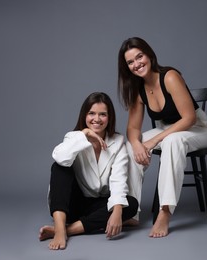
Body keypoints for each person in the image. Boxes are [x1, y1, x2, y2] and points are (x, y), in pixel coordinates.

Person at [117, 37, 207, 238]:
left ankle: (165, 211)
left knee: (171, 140)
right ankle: (131, 210)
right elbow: (133, 128)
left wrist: (153, 141)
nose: (137, 64)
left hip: (198, 129)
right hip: (170, 131)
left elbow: (189, 118)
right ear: (127, 67)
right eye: (130, 62)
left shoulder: (169, 76)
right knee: (130, 147)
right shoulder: (138, 89)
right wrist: (137, 144)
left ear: (149, 55)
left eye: (139, 57)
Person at [39, 92, 138, 250]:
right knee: (59, 167)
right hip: (71, 205)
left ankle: (67, 230)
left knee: (130, 204)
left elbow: (119, 179)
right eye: (91, 113)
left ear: (109, 117)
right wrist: (84, 134)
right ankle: (59, 228)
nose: (97, 119)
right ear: (84, 115)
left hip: (97, 204)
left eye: (102, 114)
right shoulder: (74, 137)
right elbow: (60, 157)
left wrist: (118, 211)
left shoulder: (118, 141)